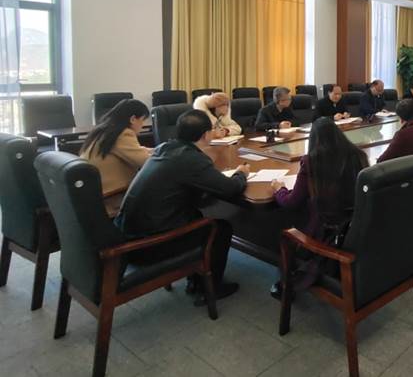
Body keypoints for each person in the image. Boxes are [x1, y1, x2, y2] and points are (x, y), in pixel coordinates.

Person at [114, 110, 251, 305]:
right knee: (220, 228)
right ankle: (209, 289)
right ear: (206, 135)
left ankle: (195, 280)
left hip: (127, 235)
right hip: (148, 247)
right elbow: (230, 189)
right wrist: (241, 174)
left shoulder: (164, 148)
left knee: (198, 214)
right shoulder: (191, 159)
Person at [269, 117, 369, 296]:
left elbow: (291, 203)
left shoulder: (312, 161)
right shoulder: (358, 155)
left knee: (285, 225)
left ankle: (288, 280)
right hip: (352, 226)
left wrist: (279, 189)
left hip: (326, 231)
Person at [80, 99, 151, 194]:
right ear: (133, 119)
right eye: (142, 120)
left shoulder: (106, 130)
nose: (143, 125)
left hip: (95, 191)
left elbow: (134, 151)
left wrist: (156, 150)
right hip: (113, 195)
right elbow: (147, 162)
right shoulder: (123, 133)